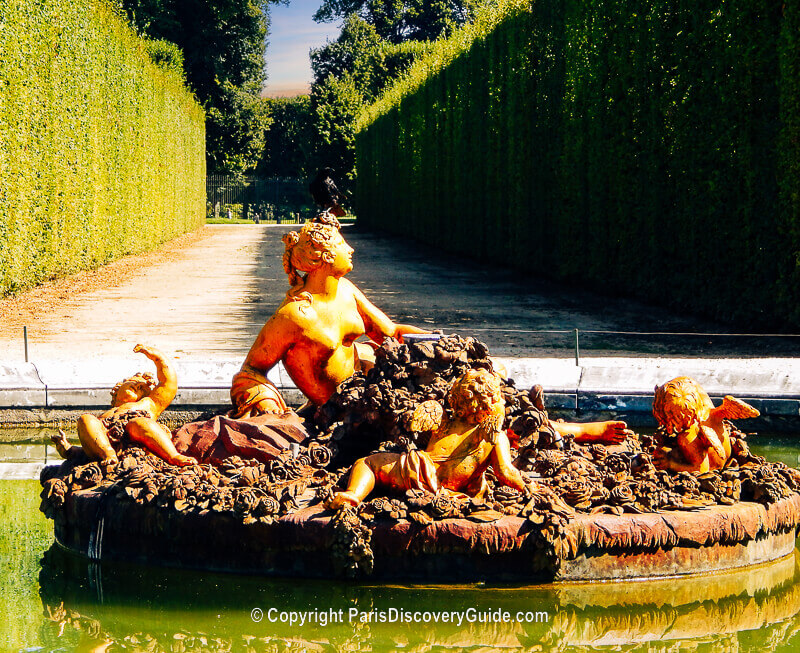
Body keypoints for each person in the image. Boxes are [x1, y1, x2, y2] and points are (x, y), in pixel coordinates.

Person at [231, 221, 430, 417]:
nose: (351, 249)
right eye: (342, 244)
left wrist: (437, 340)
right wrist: (267, 405)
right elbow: (250, 371)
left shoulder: (346, 289)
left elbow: (392, 334)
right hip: (341, 413)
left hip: (374, 390)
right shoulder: (294, 316)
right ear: (323, 256)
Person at [329, 369, 530, 507]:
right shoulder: (495, 436)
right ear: (491, 401)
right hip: (443, 487)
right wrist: (527, 488)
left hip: (415, 470)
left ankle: (354, 495)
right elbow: (505, 471)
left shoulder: (447, 421)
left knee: (367, 463)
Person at [51, 344, 195, 466]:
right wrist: (69, 450)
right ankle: (108, 454)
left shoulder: (148, 404)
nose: (139, 386)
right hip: (106, 445)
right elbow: (88, 449)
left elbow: (168, 383)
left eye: (143, 389)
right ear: (118, 388)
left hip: (136, 435)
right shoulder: (104, 416)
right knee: (86, 419)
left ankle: (173, 456)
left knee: (140, 422)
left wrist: (157, 357)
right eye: (135, 382)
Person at [651, 376, 759, 472]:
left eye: (673, 417)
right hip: (725, 454)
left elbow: (702, 469)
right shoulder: (703, 402)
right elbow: (688, 383)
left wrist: (671, 464)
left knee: (666, 451)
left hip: (713, 466)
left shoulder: (687, 437)